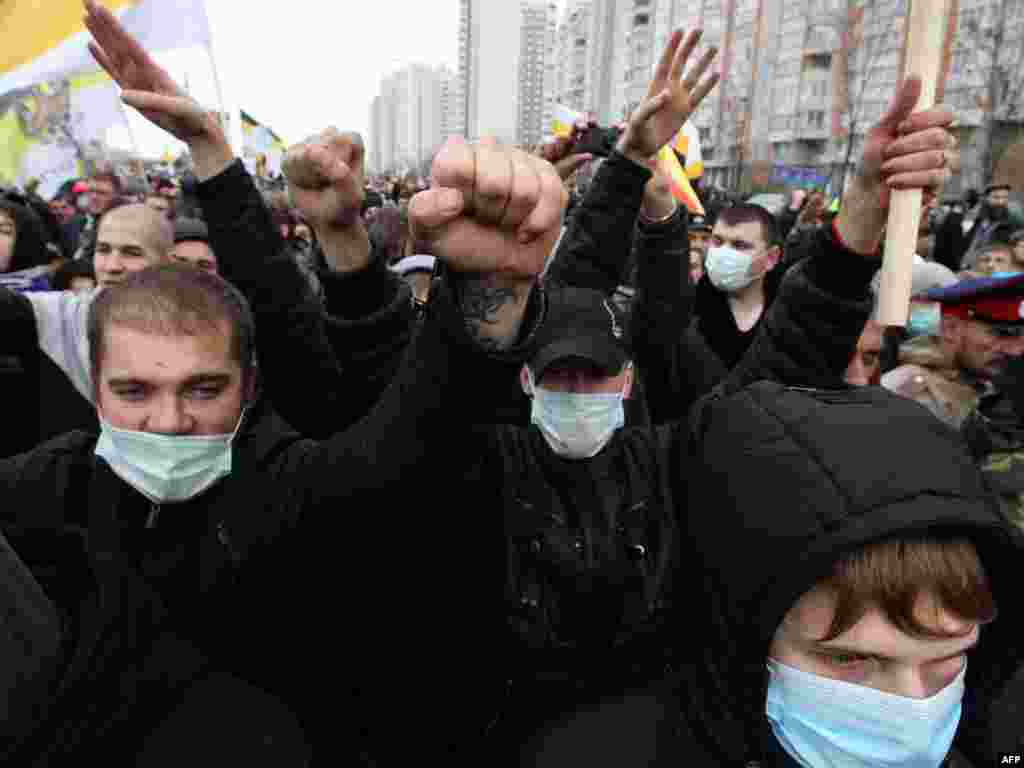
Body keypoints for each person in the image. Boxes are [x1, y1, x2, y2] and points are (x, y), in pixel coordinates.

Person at [881, 274, 1024, 531]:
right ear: (950, 329)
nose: (1015, 349)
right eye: (1001, 333)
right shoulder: (908, 394)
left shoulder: (992, 385)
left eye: (1021, 336)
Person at [693, 203, 784, 369]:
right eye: (717, 241)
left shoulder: (788, 316)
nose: (723, 253)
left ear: (771, 258)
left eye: (739, 245)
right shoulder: (688, 308)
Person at [65, 170, 122, 261]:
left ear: (116, 196)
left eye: (102, 193)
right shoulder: (78, 222)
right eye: (91, 191)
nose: (94, 197)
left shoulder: (125, 225)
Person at [961, 183, 1015, 269]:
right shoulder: (976, 220)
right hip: (967, 268)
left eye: (1005, 197)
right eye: (996, 197)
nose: (1001, 202)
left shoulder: (1012, 224)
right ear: (986, 198)